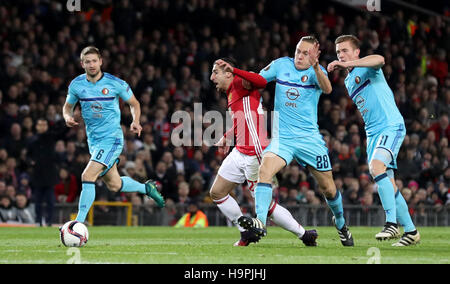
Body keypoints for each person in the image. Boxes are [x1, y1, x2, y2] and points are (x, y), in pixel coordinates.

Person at [238, 36, 354, 246]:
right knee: (265, 170)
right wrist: (240, 78)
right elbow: (258, 80)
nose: (299, 56)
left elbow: (327, 89)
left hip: (309, 140)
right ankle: (260, 223)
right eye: (298, 51)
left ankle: (341, 223)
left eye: (305, 53)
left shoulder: (316, 72)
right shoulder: (281, 65)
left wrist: (317, 67)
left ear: (314, 56)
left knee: (328, 188)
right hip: (283, 139)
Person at [210, 57, 318, 246]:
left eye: (215, 72)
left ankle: (304, 234)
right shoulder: (231, 92)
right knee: (217, 192)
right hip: (240, 151)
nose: (212, 77)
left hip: (255, 153)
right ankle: (245, 232)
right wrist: (228, 135)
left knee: (266, 207)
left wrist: (236, 69)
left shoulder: (240, 82)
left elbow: (260, 81)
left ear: (228, 73)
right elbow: (244, 119)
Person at [327, 35, 420, 246]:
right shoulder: (349, 80)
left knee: (376, 167)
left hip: (390, 125)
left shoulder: (366, 66)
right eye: (338, 51)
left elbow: (380, 59)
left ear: (356, 52)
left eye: (345, 50)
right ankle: (411, 232)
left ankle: (391, 224)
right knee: (389, 183)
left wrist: (349, 63)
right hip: (372, 133)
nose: (341, 55)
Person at [62, 46, 165, 224]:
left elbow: (134, 103)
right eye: (88, 61)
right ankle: (146, 188)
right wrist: (67, 116)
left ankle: (77, 224)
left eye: (95, 61)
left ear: (101, 61)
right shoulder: (77, 85)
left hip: (112, 140)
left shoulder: (115, 83)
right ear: (82, 64)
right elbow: (67, 106)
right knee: (114, 184)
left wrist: (136, 121)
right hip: (93, 141)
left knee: (88, 176)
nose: (92, 64)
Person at [26, 118, 58, 226]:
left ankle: (49, 221)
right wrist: (30, 162)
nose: (42, 127)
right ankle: (38, 221)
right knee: (38, 201)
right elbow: (27, 156)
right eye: (40, 125)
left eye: (44, 125)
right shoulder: (32, 140)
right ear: (36, 126)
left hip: (49, 174)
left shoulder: (50, 137)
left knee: (50, 201)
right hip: (38, 174)